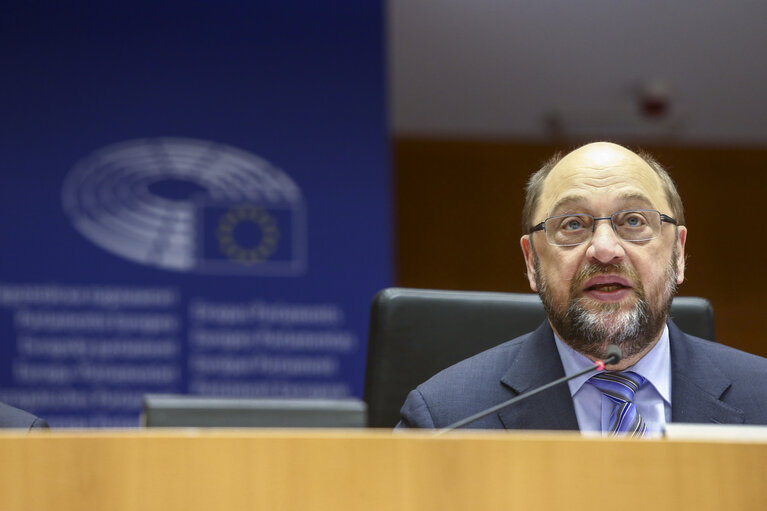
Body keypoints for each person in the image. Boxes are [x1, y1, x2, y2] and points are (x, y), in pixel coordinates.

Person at [397, 141, 767, 436]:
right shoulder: (446, 420)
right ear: (531, 261)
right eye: (573, 224)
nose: (605, 250)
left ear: (679, 253)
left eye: (634, 220)